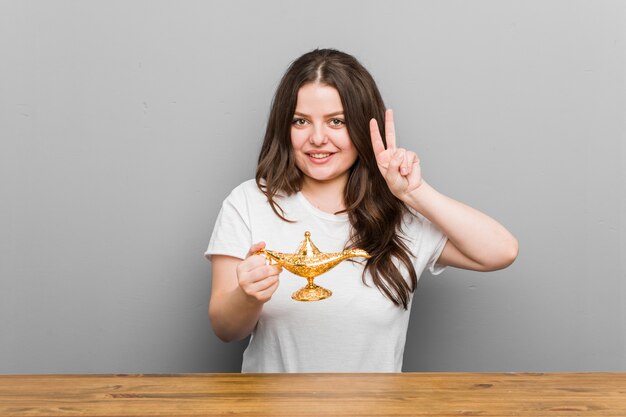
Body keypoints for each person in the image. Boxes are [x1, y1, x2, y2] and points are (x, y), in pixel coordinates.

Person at [205, 48, 518, 372]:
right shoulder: (249, 202)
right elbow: (225, 329)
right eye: (301, 121)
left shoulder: (399, 214)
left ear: (361, 126)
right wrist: (248, 295)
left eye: (336, 121)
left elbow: (501, 251)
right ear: (284, 127)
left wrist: (415, 193)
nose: (317, 138)